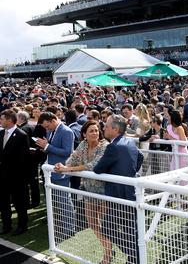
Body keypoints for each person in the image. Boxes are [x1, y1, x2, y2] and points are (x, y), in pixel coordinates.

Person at [54, 120, 111, 263]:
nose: (95, 133)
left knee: (104, 225)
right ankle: (108, 248)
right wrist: (63, 165)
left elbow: (93, 165)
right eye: (91, 131)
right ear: (84, 134)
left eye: (96, 130)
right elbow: (73, 159)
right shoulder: (83, 145)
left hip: (105, 191)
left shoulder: (105, 146)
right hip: (88, 190)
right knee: (92, 223)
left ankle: (108, 254)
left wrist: (68, 169)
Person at [93, 115, 144, 264]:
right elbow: (139, 157)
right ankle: (135, 257)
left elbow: (98, 169)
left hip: (118, 195)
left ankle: (136, 255)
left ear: (115, 129)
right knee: (129, 230)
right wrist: (129, 172)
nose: (103, 128)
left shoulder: (113, 146)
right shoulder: (129, 142)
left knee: (108, 229)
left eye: (106, 126)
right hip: (129, 192)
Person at [36, 111, 75, 240]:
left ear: (53, 120)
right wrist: (45, 147)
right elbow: (53, 148)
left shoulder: (66, 131)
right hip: (51, 171)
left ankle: (69, 229)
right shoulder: (52, 130)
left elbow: (67, 152)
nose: (46, 129)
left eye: (47, 126)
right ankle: (60, 226)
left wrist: (47, 146)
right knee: (56, 202)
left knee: (64, 202)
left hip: (61, 173)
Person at [0, 110, 30, 235]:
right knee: (3, 202)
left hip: (17, 177)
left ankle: (22, 226)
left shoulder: (21, 135)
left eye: (1, 119)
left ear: (9, 120)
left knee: (19, 203)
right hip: (2, 176)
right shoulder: (1, 133)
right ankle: (7, 226)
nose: (0, 121)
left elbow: (23, 159)